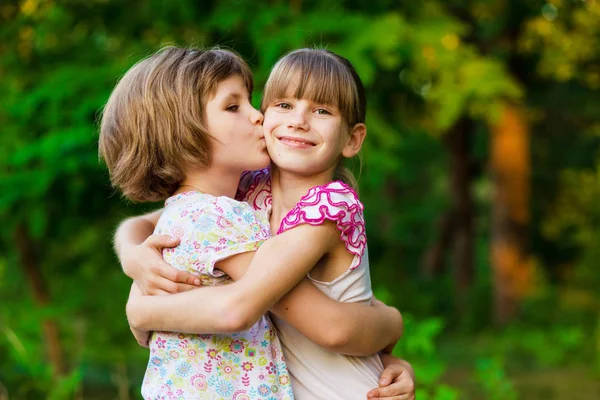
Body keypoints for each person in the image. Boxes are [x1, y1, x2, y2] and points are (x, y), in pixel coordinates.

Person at [102, 46, 414, 399]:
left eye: (322, 110)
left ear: (353, 139)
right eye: (281, 105)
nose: (263, 117)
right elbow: (150, 223)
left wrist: (143, 311)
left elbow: (330, 326)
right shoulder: (238, 200)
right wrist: (131, 254)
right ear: (185, 131)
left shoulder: (321, 206)